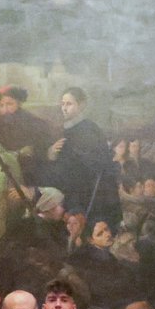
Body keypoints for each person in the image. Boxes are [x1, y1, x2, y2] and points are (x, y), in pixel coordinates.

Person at [43, 87, 121, 228]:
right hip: (69, 188)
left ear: (81, 105)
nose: (64, 108)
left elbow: (94, 164)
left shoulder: (89, 130)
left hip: (88, 191)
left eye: (69, 104)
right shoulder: (64, 129)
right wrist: (51, 153)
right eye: (62, 104)